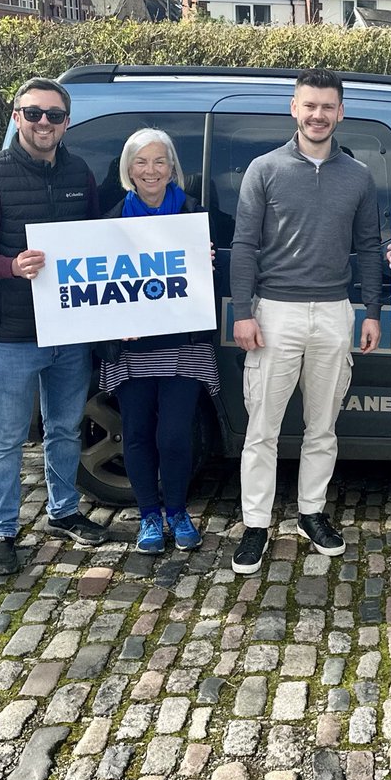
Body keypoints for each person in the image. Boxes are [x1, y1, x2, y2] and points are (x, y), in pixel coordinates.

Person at [230, 68, 383, 575]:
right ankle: (255, 523)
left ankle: (310, 513)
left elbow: (366, 249)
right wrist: (242, 311)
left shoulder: (359, 176)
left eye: (327, 107)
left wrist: (372, 311)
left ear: (341, 112)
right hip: (274, 311)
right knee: (262, 428)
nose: (318, 115)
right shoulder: (265, 169)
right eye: (309, 105)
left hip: (335, 312)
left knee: (323, 426)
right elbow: (245, 245)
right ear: (293, 109)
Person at [0, 77, 109, 574]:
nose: (43, 122)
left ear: (66, 122)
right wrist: (10, 266)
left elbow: (95, 245)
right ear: (16, 116)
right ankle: (0, 531)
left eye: (54, 115)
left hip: (70, 330)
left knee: (65, 428)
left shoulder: (79, 171)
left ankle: (63, 511)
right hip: (12, 335)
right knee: (5, 437)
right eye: (33, 113)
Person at [99, 128, 218, 554]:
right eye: (141, 162)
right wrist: (115, 319)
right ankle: (149, 515)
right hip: (132, 349)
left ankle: (178, 511)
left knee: (173, 435)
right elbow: (97, 290)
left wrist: (207, 263)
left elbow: (214, 276)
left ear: (172, 169)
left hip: (183, 344)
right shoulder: (109, 222)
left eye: (159, 161)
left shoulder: (194, 213)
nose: (151, 170)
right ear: (128, 170)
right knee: (136, 434)